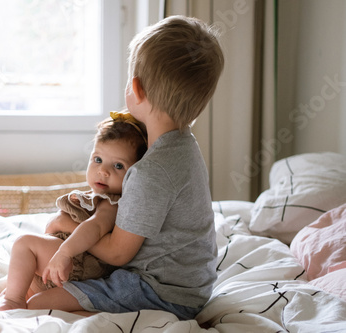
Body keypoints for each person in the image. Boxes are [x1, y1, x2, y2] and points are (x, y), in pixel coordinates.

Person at [25, 15, 225, 320]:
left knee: (36, 305)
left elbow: (119, 253)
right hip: (192, 284)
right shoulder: (184, 143)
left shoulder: (151, 172)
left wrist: (69, 226)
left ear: (136, 88)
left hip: (159, 290)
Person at [0, 111, 147, 311]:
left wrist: (64, 252)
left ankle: (12, 300)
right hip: (70, 259)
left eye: (118, 165)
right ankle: (13, 298)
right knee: (25, 282)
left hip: (77, 261)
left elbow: (95, 227)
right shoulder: (98, 196)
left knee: (24, 244)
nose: (103, 171)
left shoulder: (112, 203)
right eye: (97, 159)